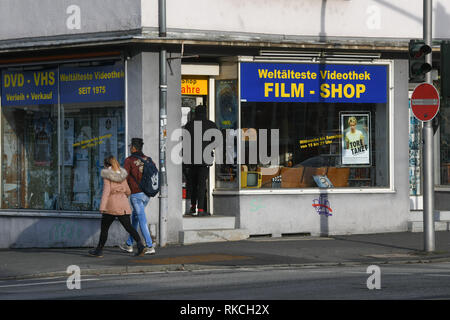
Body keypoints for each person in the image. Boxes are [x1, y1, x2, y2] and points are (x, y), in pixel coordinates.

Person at [89, 156, 147, 257]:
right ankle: (140, 246)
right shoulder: (121, 174)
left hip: (111, 205)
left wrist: (102, 206)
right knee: (129, 227)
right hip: (123, 204)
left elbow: (106, 191)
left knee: (105, 228)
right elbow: (128, 190)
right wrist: (123, 196)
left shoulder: (107, 174)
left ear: (107, 165)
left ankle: (99, 250)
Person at [119, 138, 156, 254]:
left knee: (141, 219)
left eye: (130, 146)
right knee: (135, 218)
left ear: (134, 148)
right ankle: (129, 244)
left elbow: (123, 176)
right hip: (147, 194)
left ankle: (149, 245)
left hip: (136, 194)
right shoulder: (148, 159)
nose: (130, 148)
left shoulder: (129, 160)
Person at [183, 105, 218, 216]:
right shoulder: (211, 125)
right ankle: (201, 209)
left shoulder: (189, 125)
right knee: (201, 184)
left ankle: (192, 207)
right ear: (205, 112)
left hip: (191, 159)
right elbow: (217, 141)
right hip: (204, 159)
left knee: (192, 184)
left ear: (195, 113)